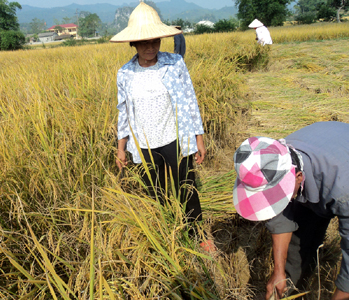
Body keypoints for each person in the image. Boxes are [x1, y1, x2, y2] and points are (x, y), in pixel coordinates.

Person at [110, 1, 214, 251]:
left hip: (173, 137)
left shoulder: (174, 63)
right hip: (144, 144)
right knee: (155, 191)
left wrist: (199, 138)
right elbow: (123, 111)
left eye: (155, 41)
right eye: (144, 43)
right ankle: (169, 232)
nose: (150, 47)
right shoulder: (125, 74)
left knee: (186, 186)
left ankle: (198, 233)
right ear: (133, 44)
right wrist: (121, 148)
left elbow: (190, 100)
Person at [232, 121, 349, 300]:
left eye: (278, 194)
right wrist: (279, 273)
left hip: (340, 171)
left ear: (298, 177)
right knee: (300, 244)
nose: (273, 200)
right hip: (324, 157)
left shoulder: (343, 191)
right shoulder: (274, 162)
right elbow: (279, 219)